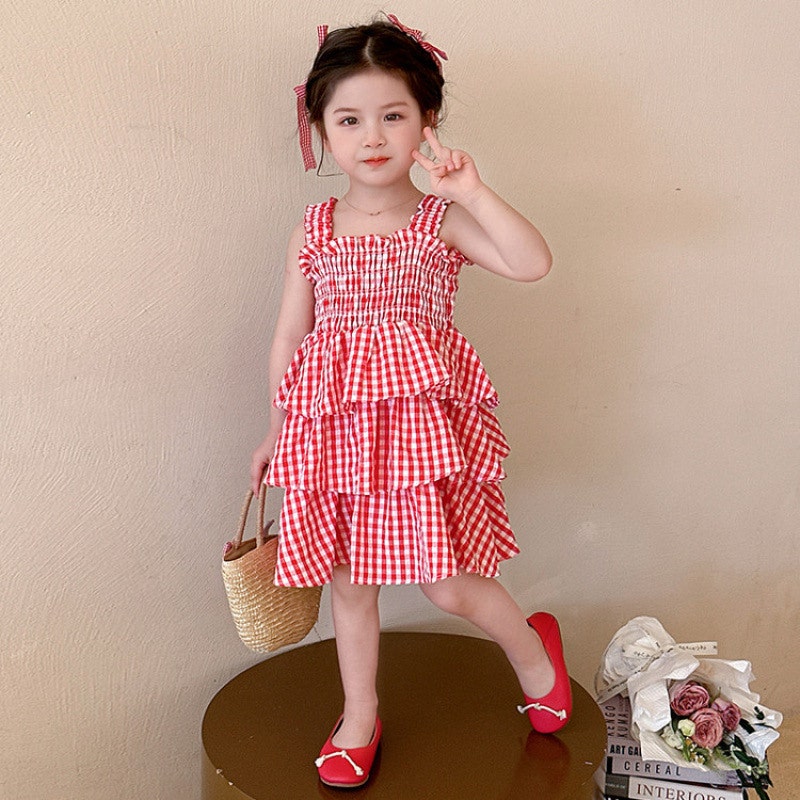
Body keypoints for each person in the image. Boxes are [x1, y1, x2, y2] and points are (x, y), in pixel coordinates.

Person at [250, 14, 571, 789]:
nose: (372, 137)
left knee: (448, 581)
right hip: (336, 436)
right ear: (320, 129)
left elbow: (531, 263)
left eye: (393, 116)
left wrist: (473, 191)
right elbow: (291, 335)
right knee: (348, 581)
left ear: (427, 119)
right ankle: (359, 715)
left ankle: (535, 652)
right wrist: (279, 429)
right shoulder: (313, 229)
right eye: (348, 119)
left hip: (421, 436)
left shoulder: (439, 221)